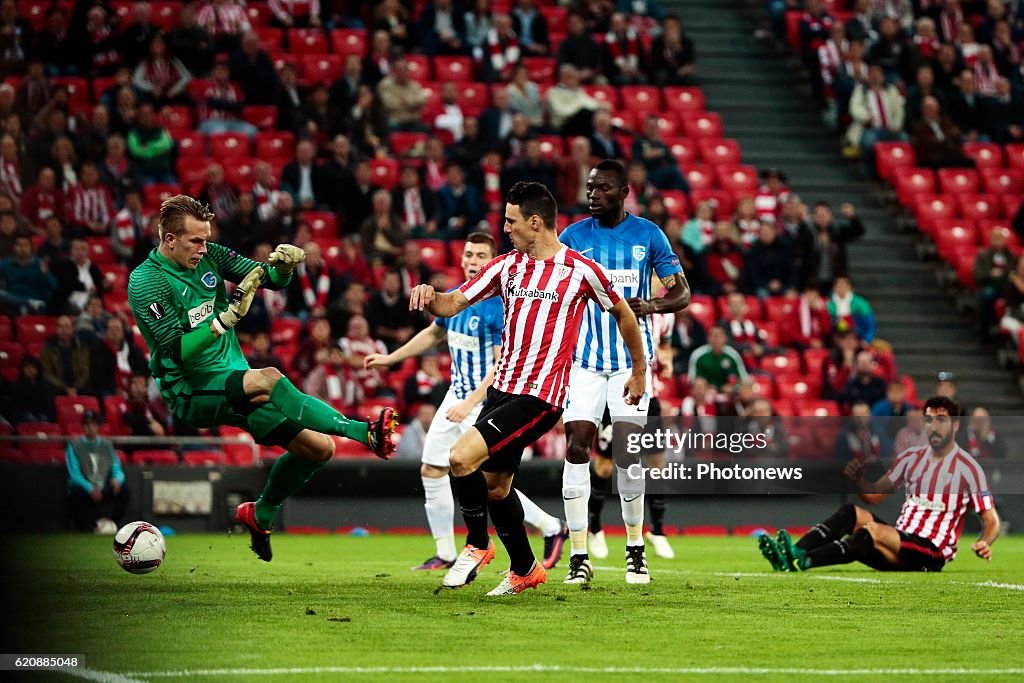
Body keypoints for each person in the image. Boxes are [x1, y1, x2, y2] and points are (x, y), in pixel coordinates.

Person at [127, 195, 399, 563]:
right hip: (190, 390)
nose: (203, 247)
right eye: (195, 241)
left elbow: (265, 277)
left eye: (206, 239)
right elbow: (174, 350)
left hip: (234, 379)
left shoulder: (210, 256)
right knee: (269, 377)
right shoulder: (146, 281)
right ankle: (362, 432)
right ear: (169, 239)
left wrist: (284, 267)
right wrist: (221, 323)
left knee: (319, 449)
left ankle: (261, 514)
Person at [407, 181, 648, 596]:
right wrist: (430, 296)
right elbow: (452, 303)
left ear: (535, 222)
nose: (506, 229)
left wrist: (639, 369)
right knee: (496, 486)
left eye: (511, 221)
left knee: (461, 457)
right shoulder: (506, 266)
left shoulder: (580, 269)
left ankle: (478, 545)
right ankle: (525, 568)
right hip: (502, 390)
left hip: (541, 397)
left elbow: (623, 314)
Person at [366, 232, 569, 572]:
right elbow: (434, 333)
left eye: (480, 256)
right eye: (469, 255)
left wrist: (470, 402)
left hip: (485, 401)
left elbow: (500, 363)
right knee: (431, 469)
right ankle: (445, 552)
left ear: (491, 263)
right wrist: (391, 359)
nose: (473, 261)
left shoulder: (496, 307)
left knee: (490, 482)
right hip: (456, 396)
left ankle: (549, 526)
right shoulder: (458, 300)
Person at [558, 159, 690, 585]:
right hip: (584, 363)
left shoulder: (648, 235)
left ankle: (635, 548)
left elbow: (682, 292)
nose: (593, 193)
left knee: (628, 458)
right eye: (590, 187)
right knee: (577, 446)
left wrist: (650, 305)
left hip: (632, 366)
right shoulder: (573, 237)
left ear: (623, 192)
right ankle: (579, 556)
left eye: (602, 188)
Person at [759, 396, 1000, 573]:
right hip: (900, 540)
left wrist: (984, 541)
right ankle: (795, 555)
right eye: (929, 420)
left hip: (930, 550)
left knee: (871, 531)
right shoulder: (911, 458)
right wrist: (860, 482)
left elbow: (991, 521)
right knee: (851, 513)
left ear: (955, 425)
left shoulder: (968, 469)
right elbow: (873, 496)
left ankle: (802, 560)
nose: (933, 427)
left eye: (941, 420)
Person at [66, 411, 128, 532]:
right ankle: (85, 528)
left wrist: (117, 479)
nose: (90, 428)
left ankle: (112, 523)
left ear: (98, 426)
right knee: (75, 492)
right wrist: (90, 488)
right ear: (83, 426)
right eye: (87, 424)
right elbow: (74, 473)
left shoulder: (107, 445)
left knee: (124, 491)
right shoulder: (74, 445)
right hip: (84, 488)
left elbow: (117, 468)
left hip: (102, 484)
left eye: (93, 424)